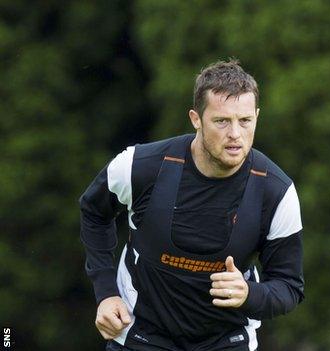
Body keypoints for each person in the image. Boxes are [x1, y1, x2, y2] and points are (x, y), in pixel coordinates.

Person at [79, 59, 304, 351]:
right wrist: (106, 292)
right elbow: (94, 212)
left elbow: (289, 287)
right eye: (222, 121)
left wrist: (250, 294)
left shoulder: (277, 191)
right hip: (140, 334)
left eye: (245, 121)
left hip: (226, 339)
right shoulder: (139, 166)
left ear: (257, 117)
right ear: (196, 119)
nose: (235, 133)